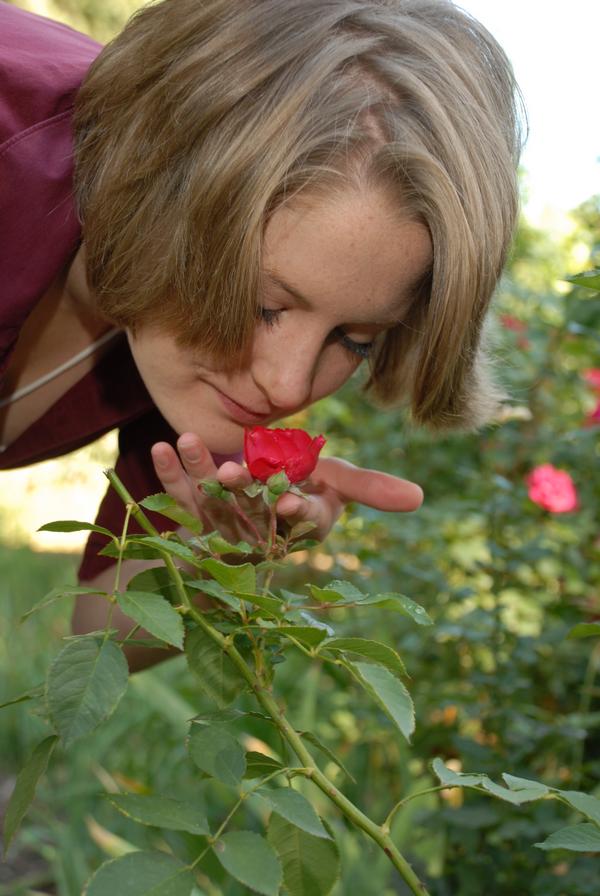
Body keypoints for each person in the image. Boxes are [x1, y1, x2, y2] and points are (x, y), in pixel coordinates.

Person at [0, 0, 522, 666]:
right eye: (264, 305)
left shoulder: (188, 345)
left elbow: (103, 626)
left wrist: (222, 551)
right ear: (162, 193)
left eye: (356, 340)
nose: (288, 383)